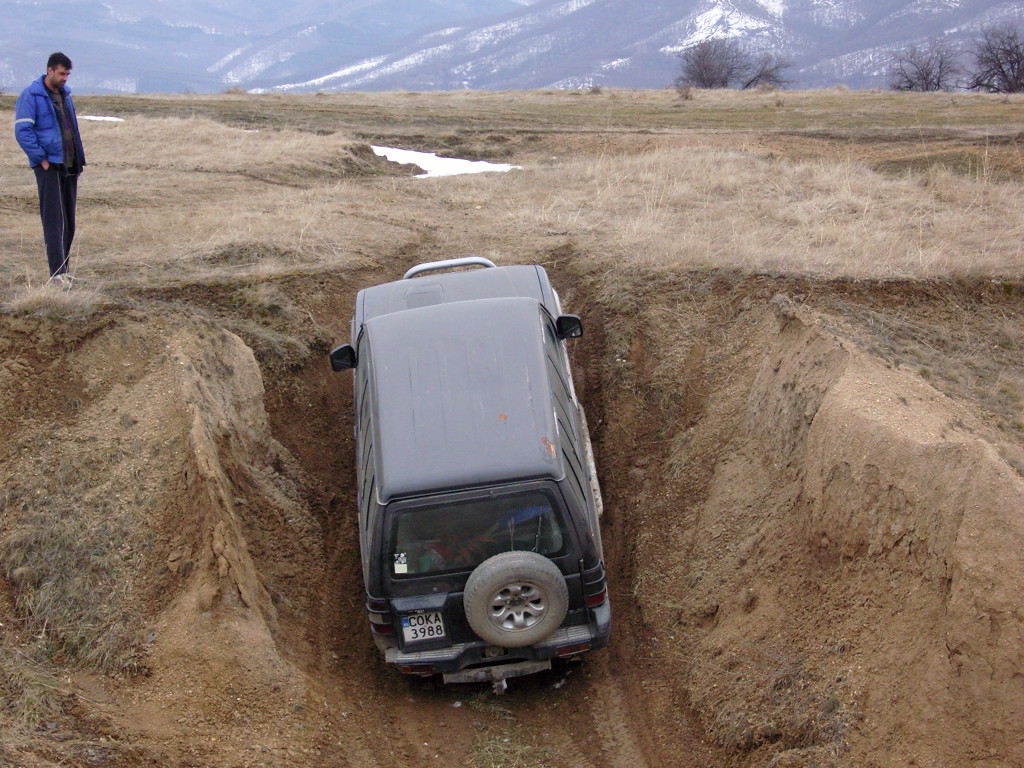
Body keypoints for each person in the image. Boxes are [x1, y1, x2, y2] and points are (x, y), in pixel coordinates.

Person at [14, 52, 86, 289]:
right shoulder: (30, 95)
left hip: (69, 164)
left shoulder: (65, 95)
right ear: (50, 70)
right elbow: (22, 131)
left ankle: (64, 270)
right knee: (54, 220)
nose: (65, 78)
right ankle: (57, 274)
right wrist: (40, 159)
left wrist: (77, 159)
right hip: (49, 166)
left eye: (67, 74)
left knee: (68, 221)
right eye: (62, 73)